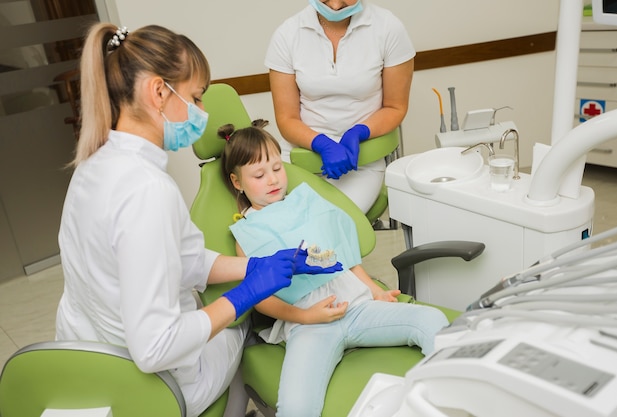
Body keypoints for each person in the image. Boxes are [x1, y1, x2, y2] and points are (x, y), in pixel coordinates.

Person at [55, 23, 338, 417]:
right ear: (158, 92)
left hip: (89, 367)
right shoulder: (147, 190)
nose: (202, 113)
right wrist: (245, 294)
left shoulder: (94, 166)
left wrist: (258, 264)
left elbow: (185, 258)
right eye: (196, 97)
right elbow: (156, 348)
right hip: (149, 387)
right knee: (241, 327)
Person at [218, 121, 449, 417]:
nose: (273, 179)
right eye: (259, 175)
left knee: (433, 321)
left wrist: (375, 291)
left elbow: (344, 251)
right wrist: (306, 316)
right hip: (307, 325)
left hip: (355, 306)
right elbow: (260, 297)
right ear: (237, 182)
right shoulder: (246, 233)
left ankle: (443, 403)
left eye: (277, 168)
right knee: (296, 408)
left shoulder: (306, 201)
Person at [264, 0, 415, 214]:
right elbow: (287, 118)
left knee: (330, 223)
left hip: (361, 161)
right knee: (284, 223)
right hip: (299, 155)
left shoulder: (388, 28)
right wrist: (320, 142)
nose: (335, 5)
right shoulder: (287, 34)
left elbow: (395, 107)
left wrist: (358, 132)